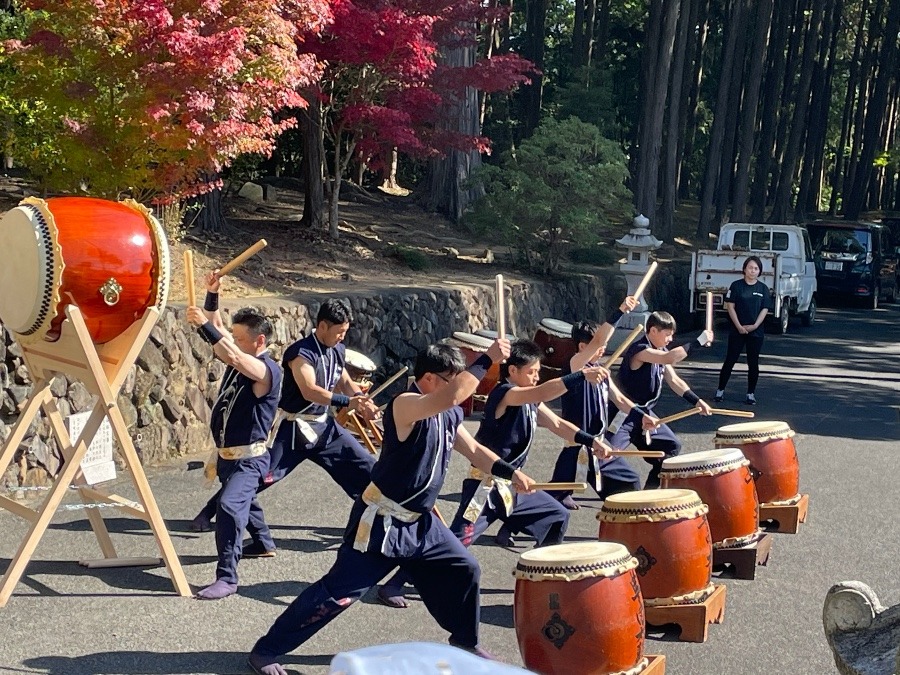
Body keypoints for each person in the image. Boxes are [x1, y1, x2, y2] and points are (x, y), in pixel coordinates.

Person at [247, 339, 535, 675]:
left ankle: (464, 640)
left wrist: (509, 472)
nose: (458, 386)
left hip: (422, 524)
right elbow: (453, 395)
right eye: (450, 378)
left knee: (465, 568)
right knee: (337, 594)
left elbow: (473, 449)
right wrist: (487, 360)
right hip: (381, 522)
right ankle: (266, 650)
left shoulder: (449, 412)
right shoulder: (406, 404)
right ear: (429, 378)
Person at [376, 339, 612, 608]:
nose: (536, 377)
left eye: (537, 372)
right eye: (532, 372)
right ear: (512, 371)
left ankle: (540, 578)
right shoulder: (505, 394)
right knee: (456, 542)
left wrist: (590, 441)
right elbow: (543, 393)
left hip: (512, 485)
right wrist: (579, 376)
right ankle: (394, 584)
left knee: (557, 515)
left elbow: (558, 423)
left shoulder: (530, 398)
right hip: (485, 488)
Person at [190, 298, 379, 542]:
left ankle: (376, 518)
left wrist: (362, 401)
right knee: (262, 476)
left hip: (325, 428)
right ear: (322, 326)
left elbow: (343, 381)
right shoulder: (301, 353)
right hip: (296, 430)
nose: (342, 337)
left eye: (345, 332)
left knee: (365, 465)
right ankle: (210, 511)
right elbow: (309, 390)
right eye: (339, 332)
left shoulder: (338, 349)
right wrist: (346, 402)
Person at [186, 273, 282, 600]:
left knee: (229, 506)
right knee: (243, 499)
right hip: (227, 457)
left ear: (259, 341)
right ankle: (264, 543)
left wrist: (205, 326)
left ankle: (227, 577)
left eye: (239, 338)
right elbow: (224, 339)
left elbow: (233, 352)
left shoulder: (266, 370)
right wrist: (212, 296)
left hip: (250, 460)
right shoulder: (238, 359)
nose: (232, 341)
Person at [548, 303, 660, 510]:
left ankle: (616, 521)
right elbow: (600, 339)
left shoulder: (600, 370)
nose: (603, 349)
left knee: (626, 483)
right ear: (583, 347)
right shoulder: (575, 365)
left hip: (598, 447)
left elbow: (620, 400)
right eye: (598, 346)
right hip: (580, 445)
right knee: (555, 497)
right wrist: (620, 310)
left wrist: (641, 416)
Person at [606, 311, 713, 489]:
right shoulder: (640, 350)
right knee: (607, 455)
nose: (670, 339)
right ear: (653, 331)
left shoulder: (660, 350)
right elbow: (669, 358)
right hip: (623, 414)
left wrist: (696, 401)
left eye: (672, 335)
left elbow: (674, 380)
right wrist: (698, 341)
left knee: (671, 446)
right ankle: (566, 489)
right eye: (667, 334)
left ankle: (650, 490)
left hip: (645, 416)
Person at [714, 255, 773, 405]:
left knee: (753, 362)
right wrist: (739, 326)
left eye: (756, 268)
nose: (753, 271)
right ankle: (720, 390)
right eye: (750, 268)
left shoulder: (763, 288)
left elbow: (764, 309)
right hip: (737, 330)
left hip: (756, 332)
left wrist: (754, 326)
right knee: (730, 360)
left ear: (759, 271)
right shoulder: (736, 286)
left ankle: (750, 393)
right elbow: (730, 307)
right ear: (744, 269)